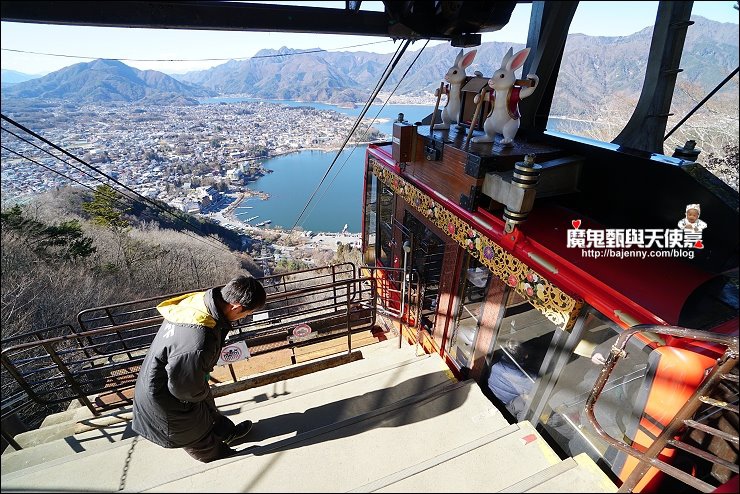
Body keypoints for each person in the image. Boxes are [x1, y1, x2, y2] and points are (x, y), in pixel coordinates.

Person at [132, 274, 267, 462]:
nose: (245, 317)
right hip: (164, 398)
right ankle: (224, 458)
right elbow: (184, 389)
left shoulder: (199, 305)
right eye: (247, 313)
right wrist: (200, 390)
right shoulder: (199, 339)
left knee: (205, 406)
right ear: (236, 307)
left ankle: (225, 433)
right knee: (197, 436)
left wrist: (201, 388)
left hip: (173, 380)